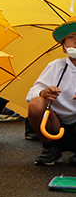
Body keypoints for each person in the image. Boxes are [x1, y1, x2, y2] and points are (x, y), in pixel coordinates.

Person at [27, 18, 76, 166]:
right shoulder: (56, 66)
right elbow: (31, 95)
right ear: (63, 47)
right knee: (36, 104)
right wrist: (44, 93)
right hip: (55, 126)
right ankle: (50, 148)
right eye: (71, 37)